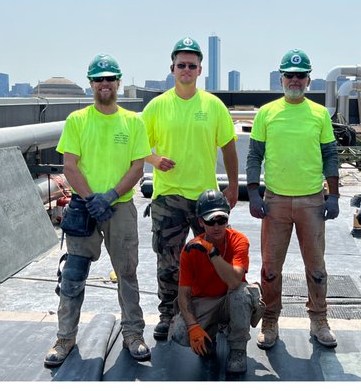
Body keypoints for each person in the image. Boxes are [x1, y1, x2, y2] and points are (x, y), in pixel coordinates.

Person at [45, 54, 150, 367]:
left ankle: (133, 333)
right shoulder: (78, 121)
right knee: (73, 276)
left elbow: (138, 166)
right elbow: (70, 165)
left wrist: (112, 195)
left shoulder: (133, 121)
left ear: (118, 81)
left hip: (120, 208)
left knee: (127, 273)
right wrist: (92, 198)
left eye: (110, 78)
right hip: (84, 209)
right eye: (99, 79)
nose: (105, 84)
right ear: (91, 83)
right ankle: (65, 338)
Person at [143, 37, 239, 341]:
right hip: (168, 198)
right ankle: (168, 315)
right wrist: (154, 159)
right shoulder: (157, 106)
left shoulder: (213, 106)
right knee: (168, 262)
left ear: (200, 71)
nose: (186, 70)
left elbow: (229, 148)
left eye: (192, 66)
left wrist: (234, 186)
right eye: (181, 65)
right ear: (172, 68)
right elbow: (137, 145)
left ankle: (210, 315)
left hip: (205, 201)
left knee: (210, 260)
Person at [246, 49, 341, 349]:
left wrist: (334, 194)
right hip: (275, 202)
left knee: (316, 268)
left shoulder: (319, 114)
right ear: (281, 78)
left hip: (312, 201)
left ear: (309, 80)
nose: (295, 80)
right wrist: (252, 192)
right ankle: (271, 321)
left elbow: (329, 155)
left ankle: (319, 320)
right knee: (270, 268)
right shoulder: (267, 113)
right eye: (290, 75)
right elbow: (254, 155)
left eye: (301, 75)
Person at [170, 190, 262, 376]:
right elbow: (184, 295)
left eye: (222, 220)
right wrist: (193, 327)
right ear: (201, 222)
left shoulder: (239, 241)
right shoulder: (190, 250)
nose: (217, 226)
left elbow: (235, 281)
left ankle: (237, 349)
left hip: (231, 299)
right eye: (211, 221)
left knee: (241, 295)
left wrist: (212, 253)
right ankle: (209, 335)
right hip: (205, 300)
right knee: (181, 333)